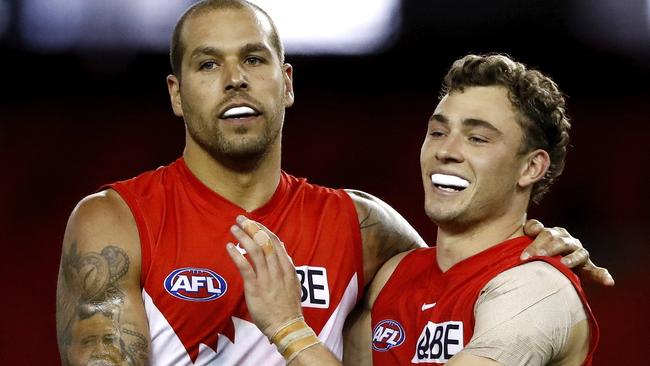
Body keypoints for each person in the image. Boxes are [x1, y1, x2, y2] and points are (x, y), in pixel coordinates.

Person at [55, 0, 611, 364]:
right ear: (176, 94)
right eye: (207, 65)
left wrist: (538, 248)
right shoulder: (115, 221)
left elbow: (466, 274)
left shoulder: (363, 226)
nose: (235, 81)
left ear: (287, 82)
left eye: (254, 58)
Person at [229, 54, 602, 365]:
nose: (446, 151)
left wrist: (288, 328)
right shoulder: (392, 278)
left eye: (477, 138)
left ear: (530, 167)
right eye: (438, 132)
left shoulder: (536, 290)